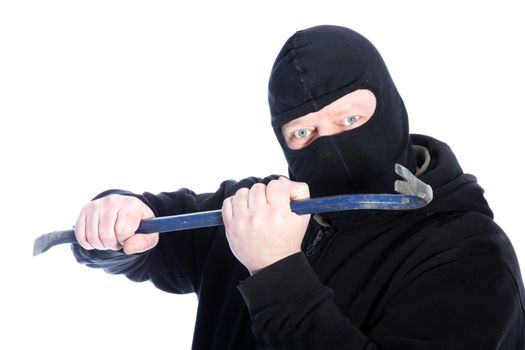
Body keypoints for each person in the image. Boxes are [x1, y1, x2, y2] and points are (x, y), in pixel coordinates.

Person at [72, 25, 525, 349]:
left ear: (389, 105)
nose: (333, 143)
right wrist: (113, 220)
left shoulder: (472, 255)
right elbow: (151, 235)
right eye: (303, 133)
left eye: (350, 119)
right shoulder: (257, 212)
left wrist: (275, 272)